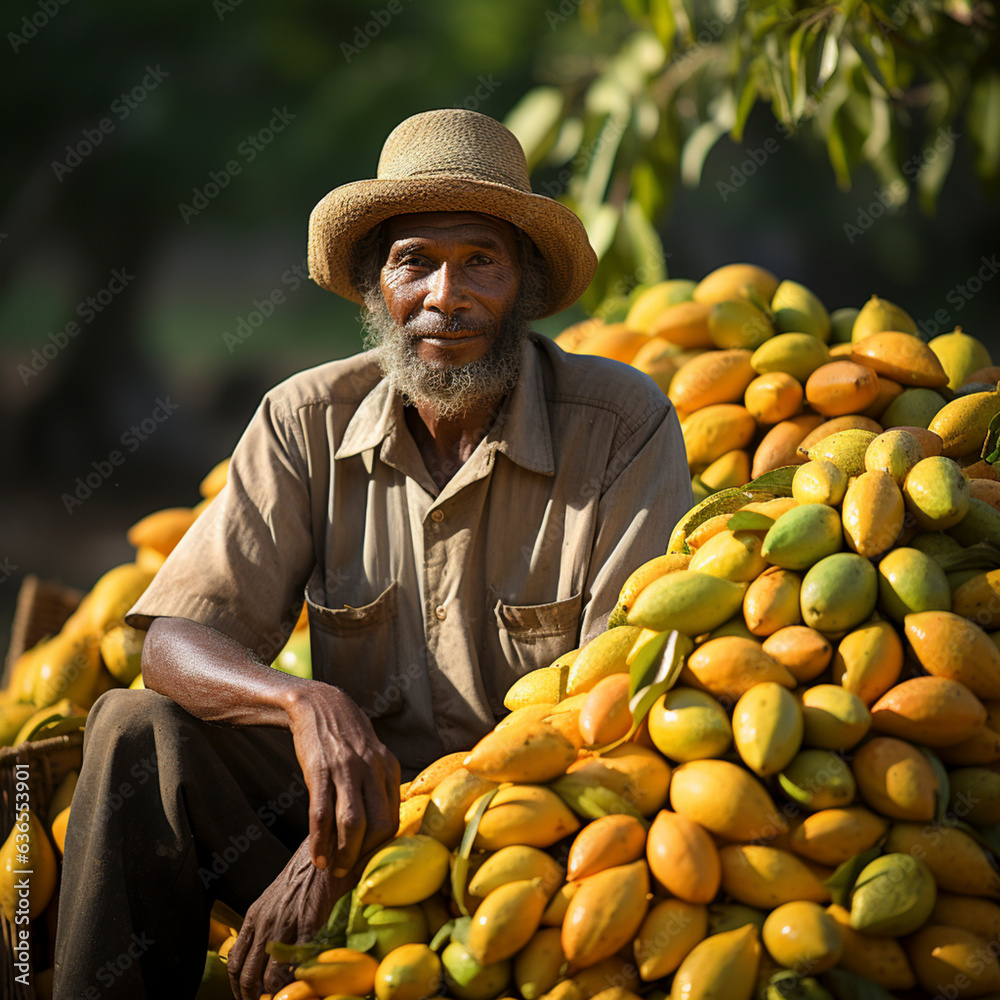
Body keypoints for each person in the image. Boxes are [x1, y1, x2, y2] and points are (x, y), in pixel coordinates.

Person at [52, 108, 692, 1000]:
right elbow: (170, 643)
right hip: (342, 814)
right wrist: (304, 703)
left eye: (480, 261)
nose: (445, 296)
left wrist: (339, 862)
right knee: (131, 727)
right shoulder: (303, 418)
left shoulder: (623, 426)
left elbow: (613, 709)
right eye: (414, 263)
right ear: (373, 287)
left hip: (544, 841)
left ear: (525, 283)